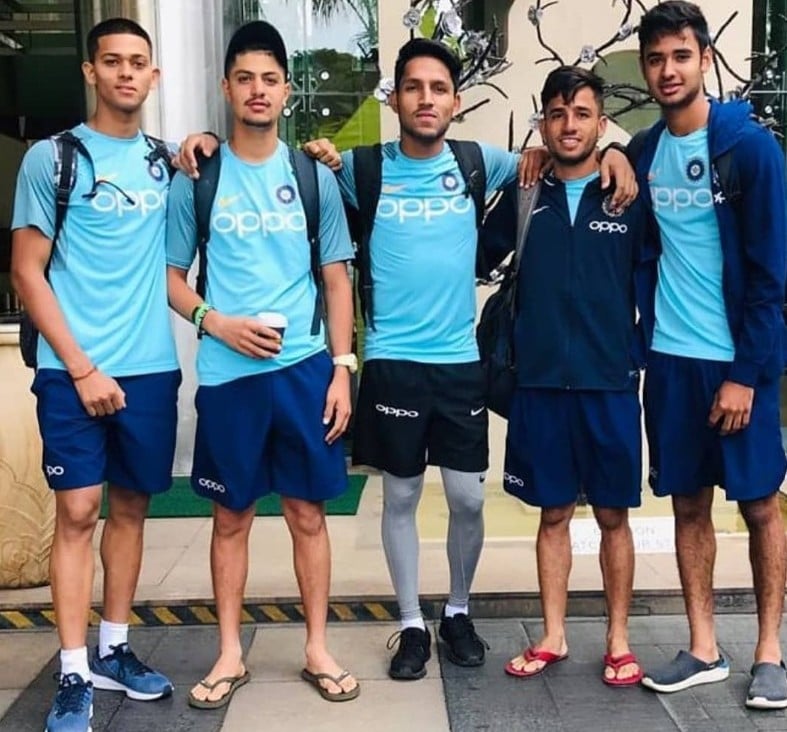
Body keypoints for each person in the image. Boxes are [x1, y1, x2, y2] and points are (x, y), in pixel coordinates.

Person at [165, 20, 359, 708]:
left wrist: (342, 368)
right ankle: (227, 653)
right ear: (226, 86)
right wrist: (213, 322)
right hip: (226, 376)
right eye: (244, 77)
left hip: (304, 370)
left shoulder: (312, 176)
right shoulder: (197, 176)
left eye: (269, 79)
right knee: (230, 518)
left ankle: (315, 647)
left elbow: (337, 279)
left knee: (309, 514)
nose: (256, 90)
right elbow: (172, 278)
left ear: (285, 91)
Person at [11, 17, 180, 732]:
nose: (124, 74)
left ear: (153, 76)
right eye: (111, 61)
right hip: (72, 370)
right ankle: (74, 670)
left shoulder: (168, 162)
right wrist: (80, 368)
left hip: (151, 368)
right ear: (90, 71)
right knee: (78, 513)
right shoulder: (51, 159)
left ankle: (115, 648)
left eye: (137, 63)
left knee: (132, 509)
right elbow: (26, 270)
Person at [632, 1, 787, 709]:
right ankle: (701, 647)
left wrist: (744, 375)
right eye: (656, 59)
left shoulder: (749, 149)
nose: (668, 70)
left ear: (703, 61)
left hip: (735, 366)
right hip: (668, 361)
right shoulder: (639, 151)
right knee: (687, 506)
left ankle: (768, 652)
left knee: (759, 506)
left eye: (680, 56)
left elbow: (769, 276)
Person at [482, 66, 646, 686]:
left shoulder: (627, 196)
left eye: (581, 113)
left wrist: (620, 156)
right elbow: (473, 253)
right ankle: (552, 636)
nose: (569, 124)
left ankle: (619, 640)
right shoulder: (526, 195)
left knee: (613, 517)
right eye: (557, 113)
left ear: (600, 123)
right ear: (543, 123)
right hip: (541, 384)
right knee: (552, 515)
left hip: (608, 382)